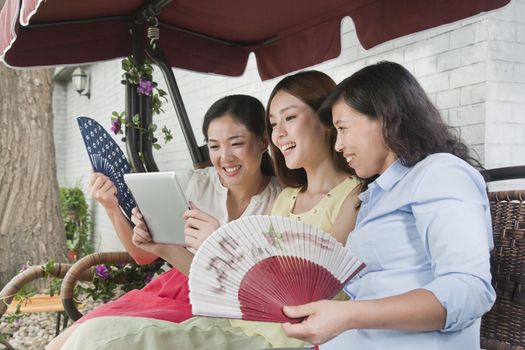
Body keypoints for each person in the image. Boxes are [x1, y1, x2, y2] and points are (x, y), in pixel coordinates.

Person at [59, 71, 363, 350]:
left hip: (272, 336)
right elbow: (227, 286)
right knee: (92, 334)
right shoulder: (288, 198)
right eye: (273, 124)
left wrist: (222, 245)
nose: (279, 134)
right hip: (229, 317)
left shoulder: (351, 196)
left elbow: (305, 295)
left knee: (97, 339)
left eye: (290, 118)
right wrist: (162, 245)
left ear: (327, 120)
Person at [281, 61, 496, 350]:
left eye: (343, 129)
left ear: (384, 117)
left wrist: (348, 315)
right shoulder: (377, 193)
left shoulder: (440, 173)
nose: (338, 145)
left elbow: (469, 291)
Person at [46, 94, 282, 350]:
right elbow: (143, 255)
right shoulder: (193, 185)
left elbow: (265, 289)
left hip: (221, 304)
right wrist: (112, 207)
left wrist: (216, 245)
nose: (224, 157)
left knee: (96, 340)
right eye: (214, 146)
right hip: (173, 285)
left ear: (263, 142)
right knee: (58, 344)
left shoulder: (282, 201)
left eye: (236, 143)